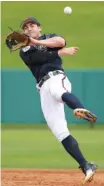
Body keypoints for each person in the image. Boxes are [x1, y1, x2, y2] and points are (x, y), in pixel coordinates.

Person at [19, 17, 97, 183]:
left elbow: (60, 40)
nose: (29, 29)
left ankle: (81, 108)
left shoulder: (49, 37)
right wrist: (60, 52)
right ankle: (86, 165)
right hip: (42, 88)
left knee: (57, 92)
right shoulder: (24, 50)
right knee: (59, 131)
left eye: (32, 25)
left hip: (56, 78)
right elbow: (38, 58)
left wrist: (42, 43)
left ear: (39, 28)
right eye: (25, 28)